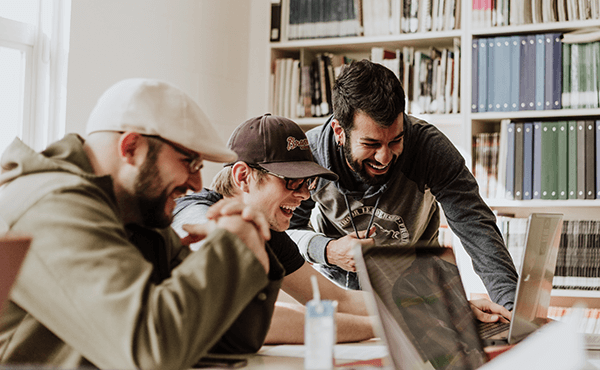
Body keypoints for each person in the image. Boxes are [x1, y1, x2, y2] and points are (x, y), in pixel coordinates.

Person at [0, 79, 284, 370]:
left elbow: (227, 341)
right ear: (131, 147)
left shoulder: (136, 213)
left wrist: (249, 243)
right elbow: (151, 352)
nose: (197, 183)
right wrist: (232, 245)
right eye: (189, 162)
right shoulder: (53, 206)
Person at [287, 59, 519, 313]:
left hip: (418, 295)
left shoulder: (430, 149)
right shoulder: (310, 157)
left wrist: (511, 310)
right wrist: (327, 250)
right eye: (371, 144)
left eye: (395, 141)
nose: (384, 157)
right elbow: (285, 232)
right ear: (339, 131)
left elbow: (477, 229)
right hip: (341, 299)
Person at [172, 114, 376, 344]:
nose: (305, 195)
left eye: (307, 182)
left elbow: (336, 299)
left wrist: (409, 309)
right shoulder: (193, 214)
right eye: (291, 181)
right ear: (243, 177)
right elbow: (248, 318)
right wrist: (381, 328)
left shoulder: (268, 232)